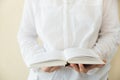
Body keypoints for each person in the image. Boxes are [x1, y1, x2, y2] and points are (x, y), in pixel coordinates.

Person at [17, 0, 120, 80]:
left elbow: (112, 33)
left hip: (94, 77)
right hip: (45, 77)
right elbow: (26, 34)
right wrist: (39, 61)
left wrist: (95, 57)